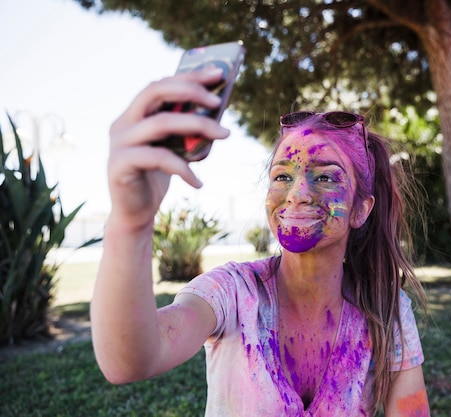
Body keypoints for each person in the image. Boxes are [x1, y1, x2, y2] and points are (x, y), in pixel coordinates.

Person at [91, 66, 431, 416]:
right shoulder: (231, 293)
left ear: (361, 209)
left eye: (327, 177)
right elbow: (129, 360)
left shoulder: (386, 308)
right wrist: (130, 222)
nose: (296, 194)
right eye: (282, 175)